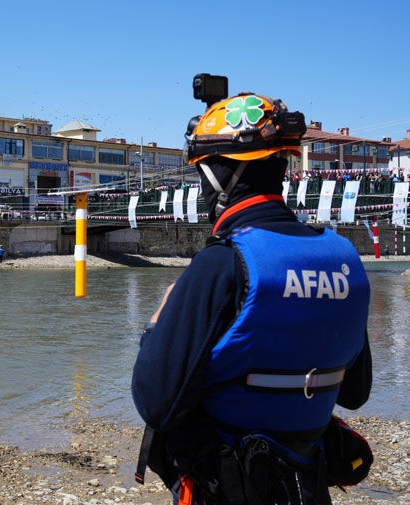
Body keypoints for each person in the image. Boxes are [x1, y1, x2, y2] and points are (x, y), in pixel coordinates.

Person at [131, 88, 372, 505]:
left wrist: (158, 322)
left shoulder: (222, 263)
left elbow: (156, 403)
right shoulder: (343, 258)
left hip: (227, 487)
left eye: (202, 171)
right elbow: (356, 392)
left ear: (224, 175)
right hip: (308, 485)